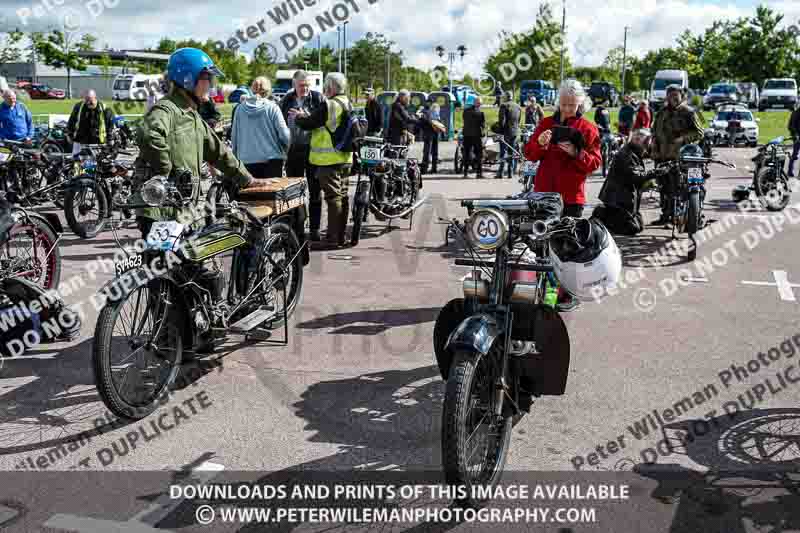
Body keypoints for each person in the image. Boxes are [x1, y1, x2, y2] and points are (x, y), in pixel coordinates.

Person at [134, 47, 253, 241]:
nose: (211, 84)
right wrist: (167, 172)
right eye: (207, 78)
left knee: (189, 266)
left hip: (182, 210)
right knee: (167, 266)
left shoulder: (192, 115)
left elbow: (219, 153)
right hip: (162, 212)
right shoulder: (167, 109)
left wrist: (248, 180)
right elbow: (148, 134)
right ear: (188, 80)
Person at [523, 79, 601, 219]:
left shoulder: (588, 128)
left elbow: (595, 163)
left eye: (572, 105)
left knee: (568, 239)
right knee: (542, 238)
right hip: (544, 194)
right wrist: (540, 144)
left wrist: (577, 153)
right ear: (558, 102)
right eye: (564, 104)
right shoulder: (545, 123)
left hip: (572, 197)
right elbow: (529, 154)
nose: (567, 109)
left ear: (581, 104)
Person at [292, 72, 352, 248]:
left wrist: (298, 116)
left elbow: (310, 122)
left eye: (326, 85)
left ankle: (332, 239)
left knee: (333, 198)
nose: (324, 88)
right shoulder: (346, 101)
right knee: (342, 197)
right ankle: (341, 236)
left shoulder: (330, 105)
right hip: (345, 158)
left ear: (331, 87)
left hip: (329, 160)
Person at [280, 70, 325, 241]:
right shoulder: (286, 100)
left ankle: (314, 228)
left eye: (307, 85)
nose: (304, 88)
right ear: (294, 85)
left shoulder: (318, 99)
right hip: (293, 151)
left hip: (313, 150)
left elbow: (322, 120)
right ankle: (296, 227)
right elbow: (280, 122)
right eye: (301, 86)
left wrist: (306, 117)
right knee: (293, 191)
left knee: (315, 190)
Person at [650, 84, 704, 225]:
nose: (672, 98)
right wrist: (654, 146)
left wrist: (683, 139)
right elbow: (655, 131)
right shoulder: (661, 112)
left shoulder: (689, 112)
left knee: (677, 189)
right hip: (662, 156)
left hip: (682, 158)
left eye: (675, 95)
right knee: (663, 188)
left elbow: (699, 133)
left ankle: (681, 216)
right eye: (669, 95)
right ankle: (665, 216)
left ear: (681, 96)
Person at [593, 128, 659, 235]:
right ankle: (603, 215)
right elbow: (636, 177)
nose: (648, 145)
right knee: (633, 228)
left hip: (624, 199)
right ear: (639, 141)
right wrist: (655, 172)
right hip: (617, 200)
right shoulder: (626, 154)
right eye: (646, 141)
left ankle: (609, 215)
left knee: (639, 225)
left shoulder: (633, 151)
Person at [231, 76, 290, 179]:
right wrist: (287, 151)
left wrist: (236, 156)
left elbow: (234, 137)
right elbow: (285, 135)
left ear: (252, 89)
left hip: (246, 161)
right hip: (271, 162)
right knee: (270, 194)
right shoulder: (272, 108)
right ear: (268, 91)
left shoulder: (239, 109)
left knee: (249, 194)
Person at [66, 89, 114, 155]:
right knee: (76, 162)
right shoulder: (78, 106)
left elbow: (110, 125)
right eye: (86, 100)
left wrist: (110, 138)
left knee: (97, 163)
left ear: (95, 97)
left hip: (98, 142)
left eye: (90, 100)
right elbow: (71, 121)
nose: (88, 102)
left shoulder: (104, 108)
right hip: (80, 141)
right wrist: (69, 134)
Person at [496, 90, 521, 179]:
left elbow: (501, 121)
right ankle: (510, 173)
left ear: (506, 97)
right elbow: (519, 120)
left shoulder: (504, 106)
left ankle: (501, 173)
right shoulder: (518, 106)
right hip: (514, 131)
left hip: (505, 132)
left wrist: (499, 131)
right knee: (511, 152)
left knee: (503, 152)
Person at [461, 96, 486, 179]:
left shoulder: (465, 111)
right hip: (477, 136)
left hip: (466, 135)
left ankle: (465, 173)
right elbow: (482, 126)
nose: (480, 105)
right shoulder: (480, 113)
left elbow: (464, 120)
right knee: (479, 154)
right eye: (480, 103)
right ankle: (479, 173)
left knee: (466, 154)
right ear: (478, 104)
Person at [419, 97, 441, 175]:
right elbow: (439, 120)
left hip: (428, 133)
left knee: (427, 151)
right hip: (436, 132)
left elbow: (422, 121)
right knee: (434, 151)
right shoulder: (436, 108)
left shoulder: (425, 110)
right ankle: (434, 168)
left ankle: (425, 168)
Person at [787, 102, 800, 177]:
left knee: (795, 154)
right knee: (795, 154)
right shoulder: (796, 113)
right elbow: (790, 126)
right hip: (797, 137)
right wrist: (796, 135)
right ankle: (790, 171)